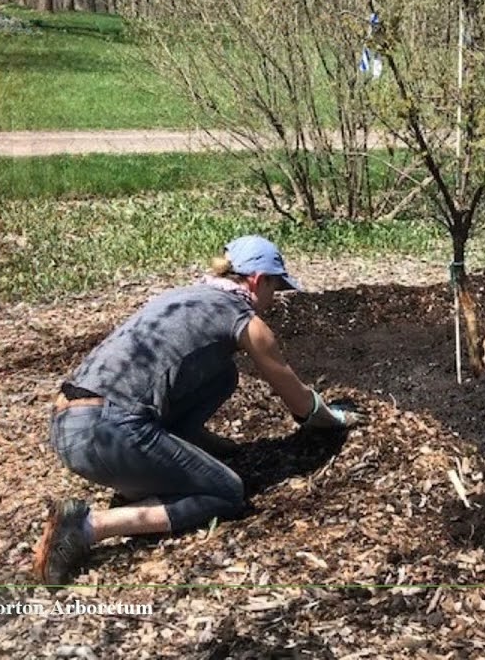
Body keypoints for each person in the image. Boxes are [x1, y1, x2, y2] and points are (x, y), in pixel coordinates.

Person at [32, 235, 364, 585]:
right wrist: (335, 417)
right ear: (258, 280)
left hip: (66, 422)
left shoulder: (181, 298)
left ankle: (165, 460)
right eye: (275, 287)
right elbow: (300, 404)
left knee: (224, 374)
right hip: (108, 434)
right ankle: (87, 527)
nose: (273, 299)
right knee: (226, 492)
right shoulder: (246, 321)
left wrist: (218, 447)